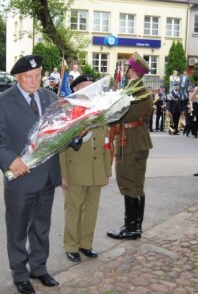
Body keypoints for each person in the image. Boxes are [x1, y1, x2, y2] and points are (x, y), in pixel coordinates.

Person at [0, 55, 61, 294]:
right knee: (17, 229)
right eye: (28, 76)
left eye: (38, 76)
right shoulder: (4, 101)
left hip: (47, 174)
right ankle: (20, 273)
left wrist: (76, 134)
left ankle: (39, 267)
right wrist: (10, 160)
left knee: (41, 226)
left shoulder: (51, 97)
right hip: (21, 177)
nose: (34, 81)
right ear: (17, 77)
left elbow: (59, 132)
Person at [60, 74, 111, 263]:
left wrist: (107, 171)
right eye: (85, 86)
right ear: (75, 89)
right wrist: (63, 174)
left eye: (92, 86)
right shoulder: (68, 111)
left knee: (91, 209)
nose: (90, 90)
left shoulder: (99, 111)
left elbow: (106, 143)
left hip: (96, 169)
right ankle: (71, 245)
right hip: (75, 170)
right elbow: (61, 147)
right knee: (74, 209)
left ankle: (86, 244)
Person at [107, 52, 152, 240]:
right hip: (140, 139)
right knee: (137, 184)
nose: (125, 71)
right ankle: (136, 227)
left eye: (127, 68)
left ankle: (131, 228)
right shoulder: (144, 90)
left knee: (127, 182)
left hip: (130, 141)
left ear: (132, 70)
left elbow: (116, 115)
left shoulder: (132, 91)